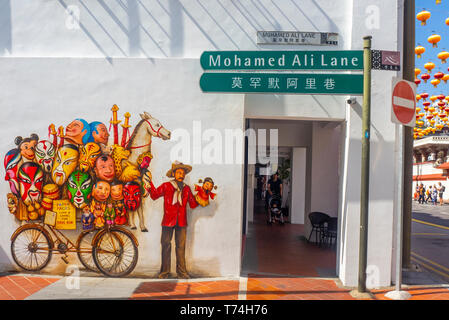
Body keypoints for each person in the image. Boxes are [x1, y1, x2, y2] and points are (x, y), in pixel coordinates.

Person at [146, 161, 199, 279]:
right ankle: (164, 272)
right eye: (178, 172)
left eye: (183, 173)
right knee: (165, 245)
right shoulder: (166, 186)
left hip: (181, 222)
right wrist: (149, 185)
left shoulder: (187, 189)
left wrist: (202, 194)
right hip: (168, 221)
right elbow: (154, 195)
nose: (181, 175)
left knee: (181, 247)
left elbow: (193, 204)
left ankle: (182, 273)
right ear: (174, 174)